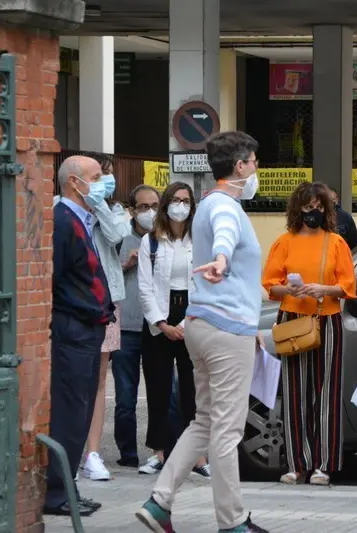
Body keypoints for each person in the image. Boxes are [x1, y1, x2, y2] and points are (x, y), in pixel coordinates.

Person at [136, 131, 268, 533]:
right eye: (255, 162)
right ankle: (232, 523)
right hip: (228, 330)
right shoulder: (227, 207)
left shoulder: (208, 203)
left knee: (205, 421)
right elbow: (226, 236)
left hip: (201, 324)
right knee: (226, 429)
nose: (257, 169)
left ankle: (159, 502)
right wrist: (223, 259)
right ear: (241, 165)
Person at [262, 181, 357, 486]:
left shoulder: (336, 243)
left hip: (327, 318)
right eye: (307, 207)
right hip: (292, 318)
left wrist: (323, 288)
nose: (313, 212)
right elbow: (269, 285)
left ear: (326, 209)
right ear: (297, 209)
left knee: (327, 394)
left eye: (318, 207)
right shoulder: (284, 242)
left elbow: (348, 286)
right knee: (294, 394)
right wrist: (289, 288)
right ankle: (296, 463)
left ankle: (324, 465)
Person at [45, 155, 115, 517]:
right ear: (75, 181)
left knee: (80, 411)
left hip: (87, 329)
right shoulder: (62, 221)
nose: (104, 182)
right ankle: (57, 492)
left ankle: (66, 488)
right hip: (72, 330)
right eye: (97, 176)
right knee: (70, 414)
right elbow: (52, 280)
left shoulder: (82, 220)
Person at [137, 182, 209, 478]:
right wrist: (162, 324)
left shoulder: (200, 240)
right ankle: (159, 451)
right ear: (166, 204)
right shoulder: (151, 241)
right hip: (158, 318)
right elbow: (144, 288)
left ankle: (198, 457)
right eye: (175, 200)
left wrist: (183, 323)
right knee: (158, 387)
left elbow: (204, 283)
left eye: (186, 201)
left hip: (190, 315)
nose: (181, 205)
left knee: (194, 390)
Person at [81, 156, 131, 482]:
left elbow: (116, 236)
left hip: (107, 301)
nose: (106, 182)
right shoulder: (63, 208)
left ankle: (93, 453)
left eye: (108, 178)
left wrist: (98, 205)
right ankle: (71, 449)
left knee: (99, 379)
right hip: (75, 302)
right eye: (100, 177)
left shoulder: (113, 212)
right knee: (73, 378)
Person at [111, 184, 160, 468]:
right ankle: (127, 454)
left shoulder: (164, 236)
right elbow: (105, 276)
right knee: (125, 397)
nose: (149, 212)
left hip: (156, 326)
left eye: (154, 206)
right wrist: (127, 264)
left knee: (163, 393)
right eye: (143, 207)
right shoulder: (119, 237)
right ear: (132, 210)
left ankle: (160, 451)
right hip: (126, 327)